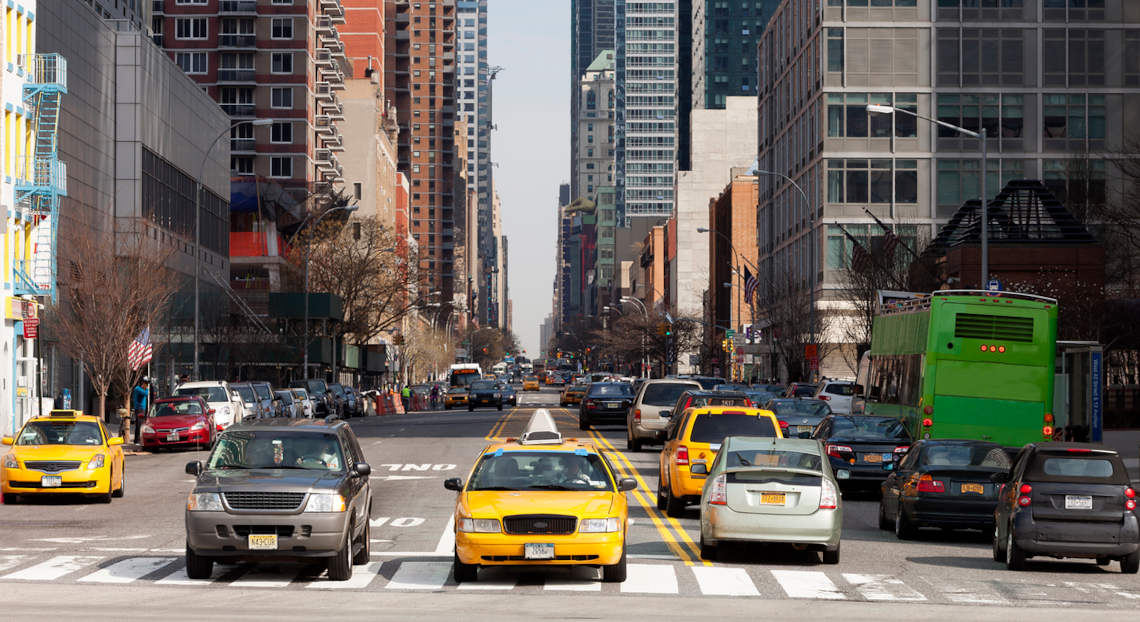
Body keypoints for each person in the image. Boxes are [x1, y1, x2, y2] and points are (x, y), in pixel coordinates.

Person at [128, 377, 150, 444]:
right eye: (146, 383)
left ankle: (138, 439)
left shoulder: (141, 389)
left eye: (147, 384)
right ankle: (137, 440)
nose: (147, 385)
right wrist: (147, 389)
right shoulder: (138, 389)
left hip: (142, 409)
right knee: (139, 424)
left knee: (141, 424)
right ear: (142, 383)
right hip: (139, 408)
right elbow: (146, 394)